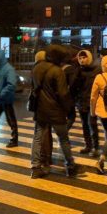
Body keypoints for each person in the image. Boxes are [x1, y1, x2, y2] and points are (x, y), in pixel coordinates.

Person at [30, 45, 81, 179]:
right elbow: (63, 94)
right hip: (56, 111)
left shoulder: (36, 68)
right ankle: (70, 166)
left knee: (38, 138)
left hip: (40, 110)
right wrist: (70, 109)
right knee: (63, 139)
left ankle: (35, 167)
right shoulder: (57, 71)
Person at [70, 49, 101, 157]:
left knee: (92, 124)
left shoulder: (97, 70)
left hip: (92, 102)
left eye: (84, 57)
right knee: (84, 125)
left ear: (89, 57)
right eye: (80, 58)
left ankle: (96, 147)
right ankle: (88, 146)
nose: (82, 60)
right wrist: (77, 73)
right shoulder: (78, 70)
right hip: (81, 101)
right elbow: (73, 86)